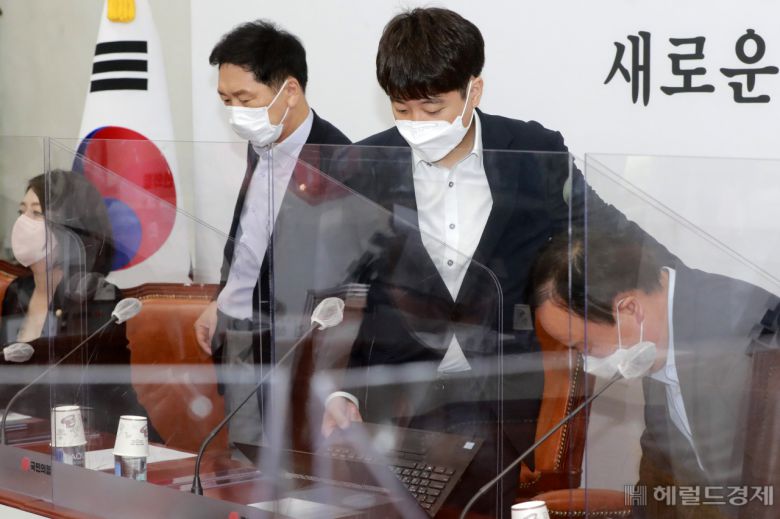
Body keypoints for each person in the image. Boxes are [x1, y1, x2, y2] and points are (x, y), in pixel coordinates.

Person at [320, 7, 644, 516]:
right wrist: (341, 391)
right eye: (402, 109)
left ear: (474, 90)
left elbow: (607, 231)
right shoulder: (365, 165)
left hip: (498, 392)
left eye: (432, 107)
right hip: (395, 393)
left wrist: (684, 290)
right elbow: (344, 291)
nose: (417, 124)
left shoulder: (532, 152)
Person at [532, 229, 779, 518]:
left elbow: (766, 486)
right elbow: (658, 484)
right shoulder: (655, 342)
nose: (586, 362)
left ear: (630, 308)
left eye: (584, 345)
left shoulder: (735, 340)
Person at [193, 20, 350, 447]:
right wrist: (222, 299)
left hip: (292, 344)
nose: (235, 113)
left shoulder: (339, 160)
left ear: (290, 91)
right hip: (239, 332)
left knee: (290, 468)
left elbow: (340, 277)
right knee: (242, 459)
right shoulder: (260, 142)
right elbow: (249, 236)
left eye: (245, 99)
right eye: (226, 100)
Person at [0, 170, 153, 436]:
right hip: (27, 432)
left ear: (71, 229)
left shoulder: (97, 296)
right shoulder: (18, 291)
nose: (23, 224)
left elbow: (75, 388)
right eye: (21, 212)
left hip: (98, 436)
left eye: (36, 214)